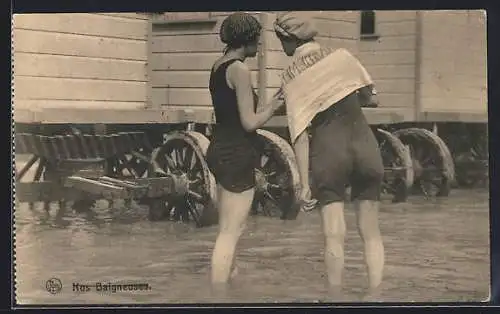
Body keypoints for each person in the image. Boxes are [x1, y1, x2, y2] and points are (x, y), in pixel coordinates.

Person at [273, 12, 385, 298]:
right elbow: (371, 97)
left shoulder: (290, 76)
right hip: (365, 145)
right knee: (371, 233)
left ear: (288, 40)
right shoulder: (342, 55)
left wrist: (304, 184)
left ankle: (335, 300)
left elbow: (299, 134)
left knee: (334, 236)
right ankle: (376, 297)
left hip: (330, 151)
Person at [206, 12, 285, 289]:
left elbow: (233, 116)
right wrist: (275, 107)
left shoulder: (218, 65)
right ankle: (218, 296)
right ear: (248, 40)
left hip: (219, 149)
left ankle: (228, 290)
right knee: (231, 232)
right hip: (237, 153)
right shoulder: (239, 69)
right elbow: (249, 122)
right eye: (258, 40)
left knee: (226, 230)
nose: (260, 45)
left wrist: (271, 102)